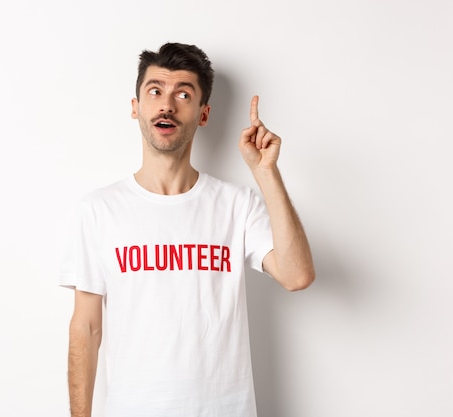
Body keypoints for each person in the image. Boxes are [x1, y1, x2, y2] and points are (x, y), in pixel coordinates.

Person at [61, 42, 315, 417]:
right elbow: (86, 327)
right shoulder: (100, 209)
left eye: (183, 93)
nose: (167, 104)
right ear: (136, 108)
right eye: (155, 91)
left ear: (203, 113)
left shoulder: (236, 204)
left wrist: (266, 173)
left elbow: (297, 276)